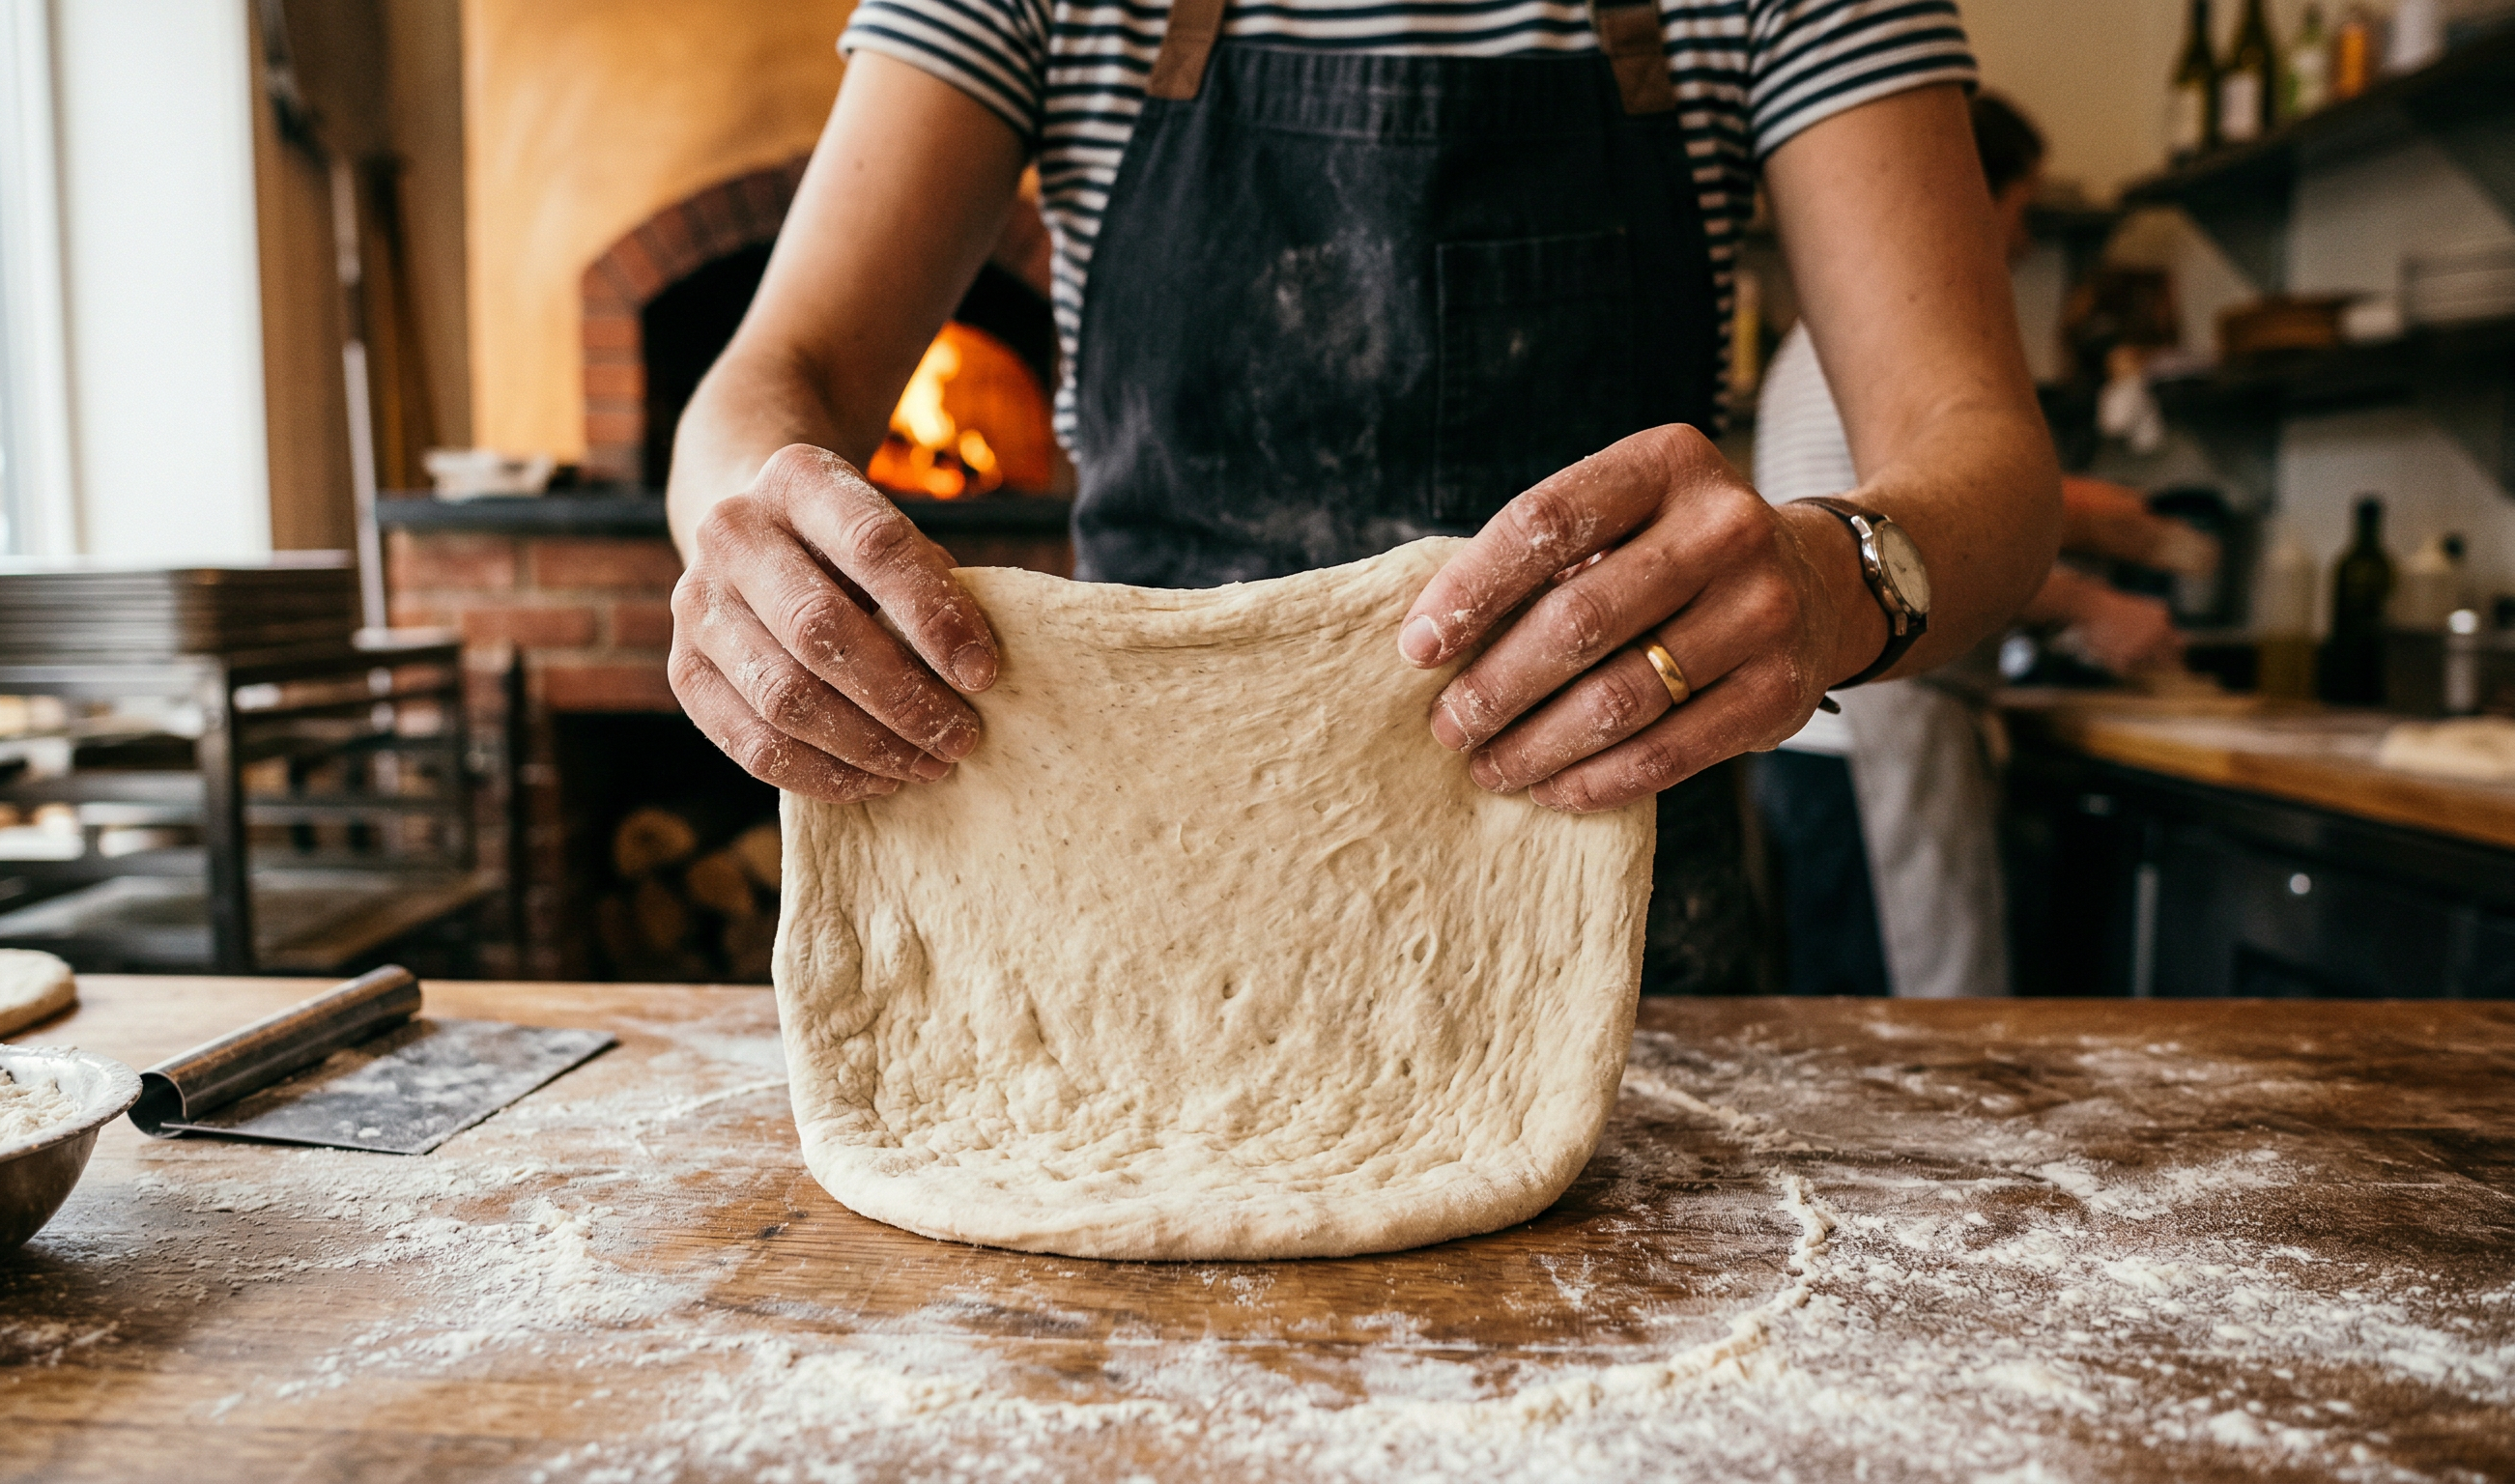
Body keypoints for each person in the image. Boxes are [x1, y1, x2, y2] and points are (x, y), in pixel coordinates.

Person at [663, 0, 2062, 996]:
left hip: (1596, 921)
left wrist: (1836, 577)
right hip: (1124, 932)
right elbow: (771, 379)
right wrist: (754, 526)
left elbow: (1985, 457)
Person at [1751, 92, 2217, 998]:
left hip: (1818, 743)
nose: (2029, 240)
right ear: (1961, 189)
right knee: (1896, 1045)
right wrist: (2087, 599)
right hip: (1871, 735)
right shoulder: (1872, 342)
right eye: (2021, 207)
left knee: (1844, 1033)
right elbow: (1890, 551)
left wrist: (2079, 518)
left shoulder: (1829, 340)